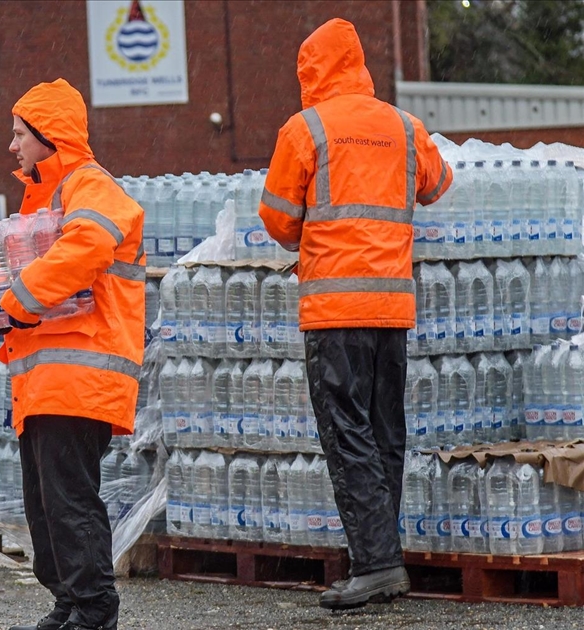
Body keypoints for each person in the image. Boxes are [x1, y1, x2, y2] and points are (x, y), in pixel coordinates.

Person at [258, 18, 452, 611]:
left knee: (348, 434)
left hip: (334, 310)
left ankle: (375, 564)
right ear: (359, 64)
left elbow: (277, 217)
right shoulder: (402, 123)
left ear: (311, 71)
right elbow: (438, 183)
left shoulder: (305, 129)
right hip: (391, 308)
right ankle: (380, 558)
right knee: (385, 432)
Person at [0, 79, 145, 630]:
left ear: (49, 138)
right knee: (45, 505)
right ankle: (70, 602)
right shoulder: (43, 199)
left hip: (80, 376)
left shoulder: (90, 186)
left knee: (69, 504)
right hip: (46, 380)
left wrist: (12, 302)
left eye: (20, 133)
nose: (11, 145)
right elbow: (10, 272)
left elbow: (87, 248)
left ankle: (94, 608)